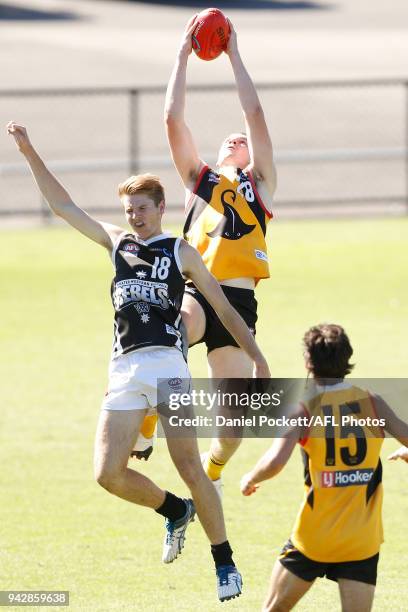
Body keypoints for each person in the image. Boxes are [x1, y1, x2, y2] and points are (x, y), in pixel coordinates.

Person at [7, 121, 271, 601]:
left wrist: (257, 358)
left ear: (161, 208)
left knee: (191, 466)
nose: (135, 218)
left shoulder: (181, 251)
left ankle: (225, 562)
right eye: (129, 210)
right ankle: (174, 510)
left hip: (170, 368)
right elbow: (63, 206)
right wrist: (28, 152)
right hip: (126, 369)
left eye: (142, 210)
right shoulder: (117, 244)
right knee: (107, 473)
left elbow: (226, 311)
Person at [163, 16, 277, 492]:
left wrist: (233, 55)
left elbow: (254, 114)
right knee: (163, 339)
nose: (237, 137)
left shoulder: (260, 184)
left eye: (242, 141)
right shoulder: (199, 183)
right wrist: (182, 55)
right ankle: (148, 426)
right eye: (227, 139)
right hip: (197, 291)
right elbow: (172, 120)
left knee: (233, 427)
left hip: (238, 305)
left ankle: (212, 466)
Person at [240, 324, 408, 612]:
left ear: (308, 362)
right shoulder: (373, 402)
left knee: (273, 610)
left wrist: (250, 477)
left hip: (314, 538)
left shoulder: (305, 409)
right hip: (361, 540)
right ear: (348, 358)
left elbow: (275, 461)